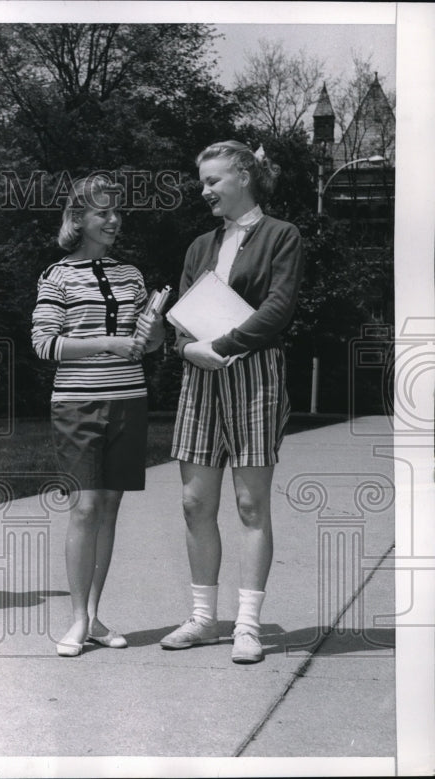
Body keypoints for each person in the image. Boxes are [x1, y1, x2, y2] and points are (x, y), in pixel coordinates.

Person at [161, 141, 304, 664]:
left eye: (213, 181)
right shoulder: (200, 245)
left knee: (250, 504)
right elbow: (181, 315)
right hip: (201, 377)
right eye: (203, 182)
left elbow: (278, 310)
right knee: (194, 502)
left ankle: (247, 625)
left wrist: (219, 347)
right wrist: (187, 349)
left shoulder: (281, 236)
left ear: (244, 176)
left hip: (253, 373)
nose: (205, 192)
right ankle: (203, 619)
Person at [31, 173, 164, 657]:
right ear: (78, 219)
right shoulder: (57, 276)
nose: (113, 220)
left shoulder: (130, 275)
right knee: (84, 508)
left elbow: (150, 345)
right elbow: (45, 344)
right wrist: (109, 343)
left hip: (129, 399)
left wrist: (154, 330)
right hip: (77, 404)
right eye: (102, 212)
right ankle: (77, 618)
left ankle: (93, 614)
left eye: (115, 212)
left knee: (108, 509)